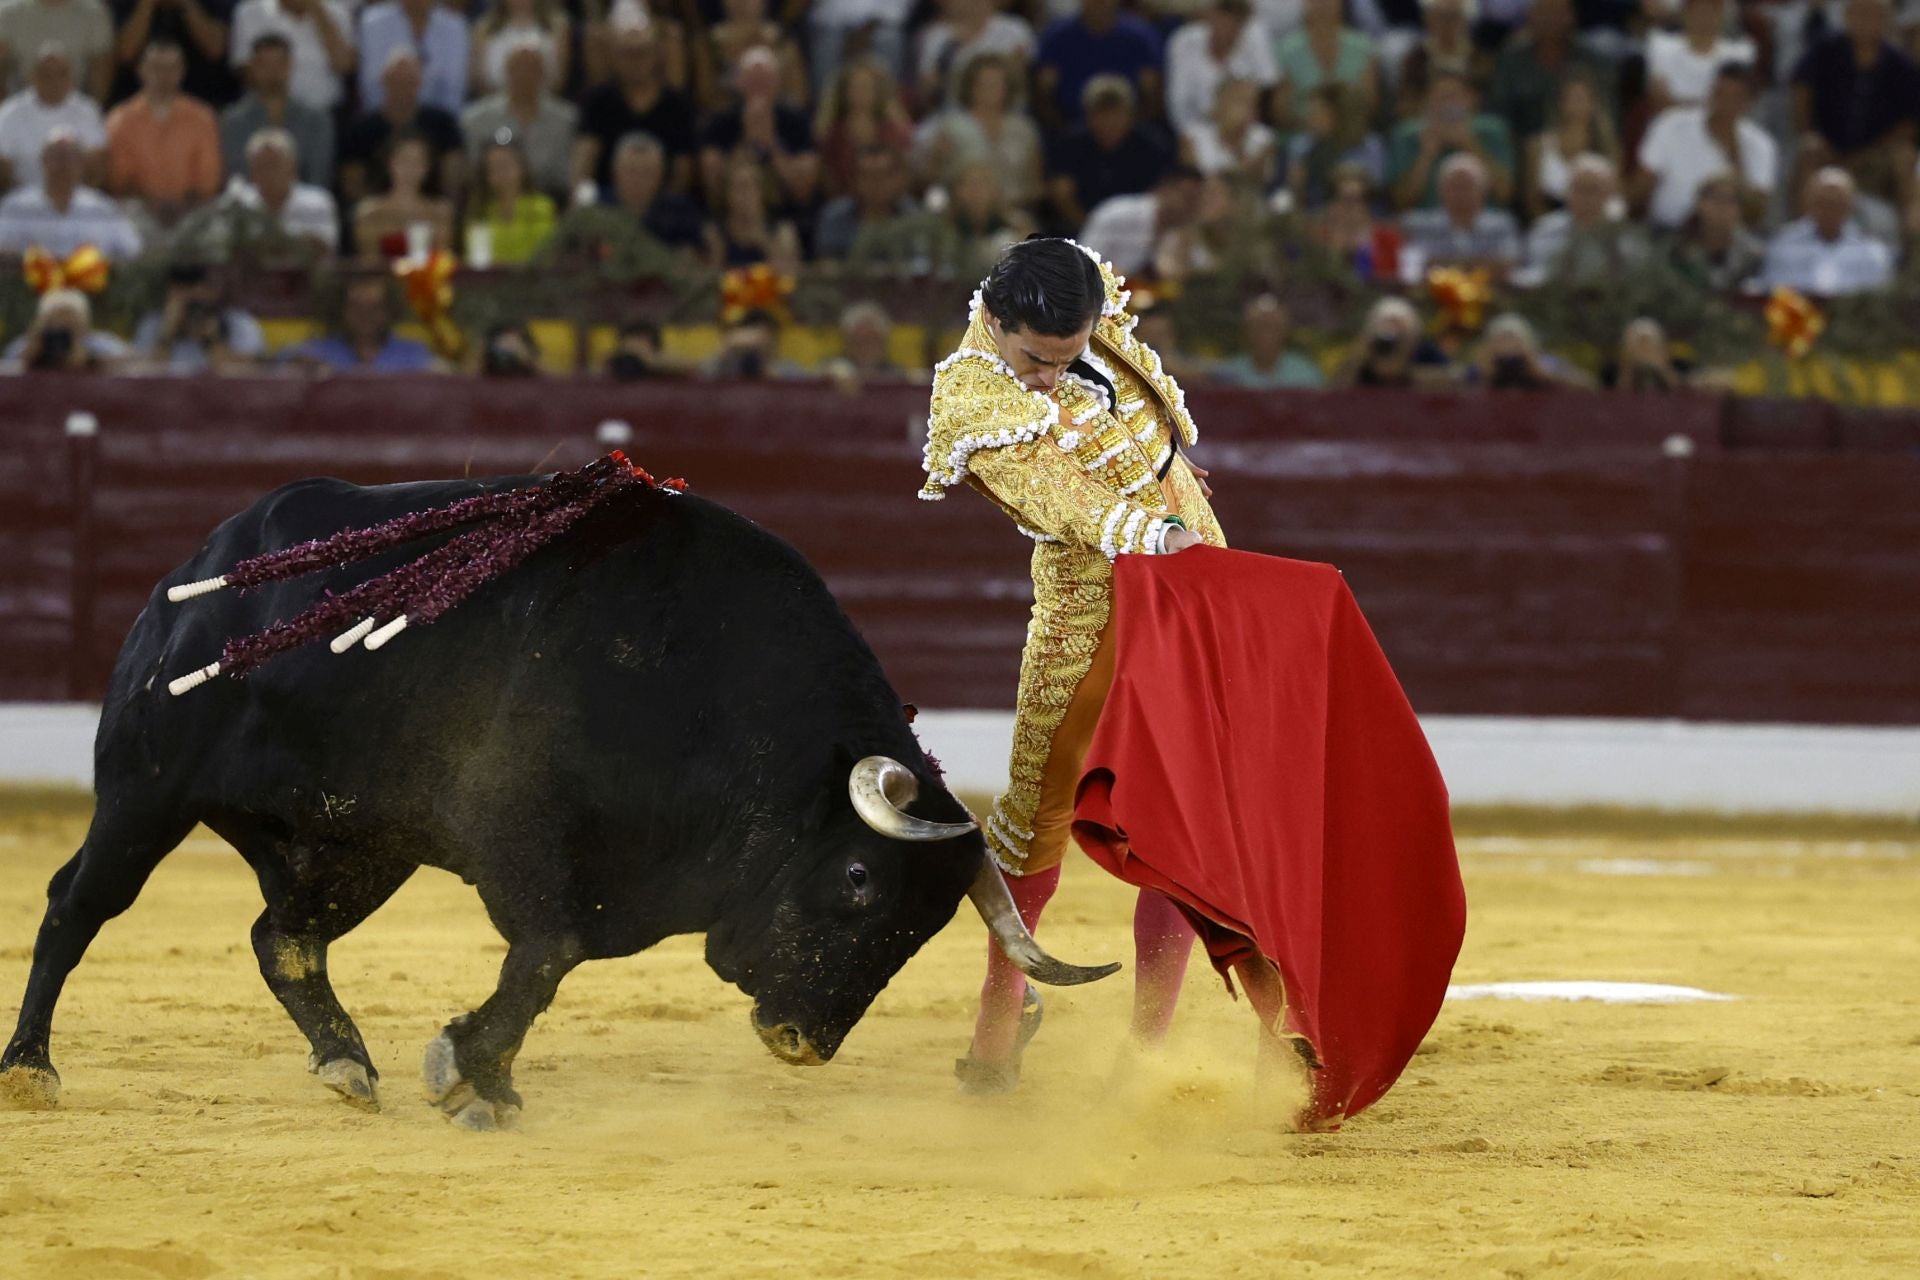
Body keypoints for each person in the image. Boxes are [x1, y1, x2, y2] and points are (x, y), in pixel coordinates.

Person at [918, 238, 1229, 1096]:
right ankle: (995, 1021)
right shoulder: (970, 395)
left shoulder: (1082, 312)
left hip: (1191, 597)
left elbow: (1141, 427)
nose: (1053, 375)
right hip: (1090, 619)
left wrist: (1172, 484)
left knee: (1182, 824)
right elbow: (1067, 499)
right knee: (1035, 824)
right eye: (1036, 359)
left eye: (1070, 355)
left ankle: (1149, 1052)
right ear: (994, 319)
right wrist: (1152, 529)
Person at [1790, 0, 1920, 207]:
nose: (1866, 22)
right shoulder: (1825, 51)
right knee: (1808, 149)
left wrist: (1872, 152)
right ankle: (1802, 230)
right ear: (1847, 17)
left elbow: (1911, 121)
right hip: (1829, 149)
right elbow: (1801, 87)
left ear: (1887, 21)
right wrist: (1809, 130)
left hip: (1876, 156)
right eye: (1860, 14)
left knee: (1905, 158)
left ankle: (1912, 233)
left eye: (1874, 16)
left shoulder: (1901, 65)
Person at [1633, 61, 1776, 230]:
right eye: (1719, 93)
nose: (1723, 103)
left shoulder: (1761, 145)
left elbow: (1756, 212)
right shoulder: (1670, 124)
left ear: (1749, 103)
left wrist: (1734, 153)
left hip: (1725, 238)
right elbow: (1642, 187)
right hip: (1668, 231)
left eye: (1734, 97)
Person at [105, 38, 220, 227]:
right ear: (141, 71)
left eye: (171, 69)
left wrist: (182, 210)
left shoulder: (202, 118)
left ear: (182, 72)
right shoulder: (120, 120)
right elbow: (120, 180)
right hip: (139, 213)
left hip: (192, 212)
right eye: (156, 68)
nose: (163, 76)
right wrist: (154, 207)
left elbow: (207, 180)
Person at [574, 18, 696, 194]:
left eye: (641, 52)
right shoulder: (598, 101)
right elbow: (585, 158)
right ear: (614, 57)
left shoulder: (676, 105)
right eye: (627, 54)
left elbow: (683, 168)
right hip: (608, 199)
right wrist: (582, 198)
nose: (635, 61)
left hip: (661, 201)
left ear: (655, 54)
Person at [339, 48, 465, 211]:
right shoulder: (361, 129)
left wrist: (439, 208)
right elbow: (352, 183)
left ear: (420, 83)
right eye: (397, 80)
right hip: (377, 213)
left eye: (409, 81)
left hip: (432, 212)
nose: (403, 87)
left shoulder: (442, 124)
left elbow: (453, 175)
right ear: (384, 82)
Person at [1043, 74, 1171, 234]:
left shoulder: (1151, 145)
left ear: (1131, 115)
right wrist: (1093, 228)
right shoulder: (1070, 144)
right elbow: (1061, 194)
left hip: (1137, 230)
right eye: (1101, 113)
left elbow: (1159, 193)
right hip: (1081, 229)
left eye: (1116, 112)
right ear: (1088, 115)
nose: (1109, 121)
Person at [915, 51, 1041, 208]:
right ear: (971, 87)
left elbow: (1035, 186)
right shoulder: (951, 127)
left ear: (1007, 88)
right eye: (983, 83)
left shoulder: (1024, 129)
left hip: (1015, 210)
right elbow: (933, 185)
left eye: (997, 83)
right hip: (962, 214)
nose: (990, 89)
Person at [460, 36, 577, 198]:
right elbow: (473, 174)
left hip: (549, 203)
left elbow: (566, 177)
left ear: (544, 74)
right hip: (492, 203)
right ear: (506, 72)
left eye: (533, 69)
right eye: (519, 68)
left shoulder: (565, 120)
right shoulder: (475, 119)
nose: (526, 76)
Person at [1485, 0, 1614, 143]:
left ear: (1571, 16)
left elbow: (1607, 115)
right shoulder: (1510, 62)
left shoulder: (1594, 62)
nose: (1550, 19)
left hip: (1583, 147)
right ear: (1531, 16)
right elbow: (1497, 115)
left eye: (1557, 12)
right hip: (1520, 148)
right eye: (1544, 12)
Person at [0, 128, 140, 257]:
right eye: (56, 157)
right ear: (43, 160)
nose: (63, 164)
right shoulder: (15, 207)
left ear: (81, 164)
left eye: (70, 157)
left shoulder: (102, 209)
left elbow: (131, 250)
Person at [218, 31, 333, 187]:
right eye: (264, 65)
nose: (273, 72)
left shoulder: (316, 119)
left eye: (279, 63)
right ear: (252, 67)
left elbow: (318, 176)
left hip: (302, 203)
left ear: (290, 65)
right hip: (250, 204)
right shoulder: (233, 121)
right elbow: (237, 175)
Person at [1388, 69, 1512, 209]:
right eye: (1440, 98)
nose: (1447, 105)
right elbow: (1401, 202)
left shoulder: (1492, 130)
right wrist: (1427, 154)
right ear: (1426, 102)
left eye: (1452, 97)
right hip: (1426, 218)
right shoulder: (1407, 135)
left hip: (1486, 218)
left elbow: (1504, 193)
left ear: (1470, 99)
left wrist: (1470, 144)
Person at [1762, 165, 1897, 293]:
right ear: (1808, 204)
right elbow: (1775, 299)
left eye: (1837, 203)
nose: (1829, 211)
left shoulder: (1872, 253)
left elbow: (1877, 303)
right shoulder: (1782, 247)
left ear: (1850, 207)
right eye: (1822, 203)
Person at [1033, 0, 1163, 131]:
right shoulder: (1056, 36)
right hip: (1071, 127)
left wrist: (1125, 127)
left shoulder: (1140, 37)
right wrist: (1063, 129)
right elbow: (1044, 94)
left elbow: (1151, 95)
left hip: (1129, 129)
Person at [1523, 153, 1649, 282]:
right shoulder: (1545, 231)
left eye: (1593, 189)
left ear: (1610, 194)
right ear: (1566, 191)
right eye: (1578, 188)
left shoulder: (1627, 239)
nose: (1585, 198)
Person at [0, 44, 105, 192]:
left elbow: (96, 167)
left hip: (75, 201)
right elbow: (3, 170)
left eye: (62, 74)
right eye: (46, 74)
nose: (54, 81)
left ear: (72, 78)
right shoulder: (9, 112)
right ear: (32, 77)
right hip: (22, 201)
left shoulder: (88, 111)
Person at [281, 271, 436, 371]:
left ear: (390, 311)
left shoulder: (413, 354)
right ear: (341, 309)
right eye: (356, 308)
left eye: (375, 308)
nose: (365, 316)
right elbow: (280, 363)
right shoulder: (316, 352)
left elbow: (444, 377)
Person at [1165, 0, 1277, 137]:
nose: (1226, 30)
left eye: (1234, 25)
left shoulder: (1256, 38)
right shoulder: (1184, 41)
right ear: (1211, 17)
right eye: (1222, 21)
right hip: (1195, 132)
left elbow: (1267, 94)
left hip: (1246, 132)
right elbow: (1178, 104)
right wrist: (1196, 139)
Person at [129, 261, 265, 372]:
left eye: (195, 299)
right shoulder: (153, 324)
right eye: (180, 298)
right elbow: (143, 375)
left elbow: (249, 376)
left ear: (211, 293)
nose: (190, 306)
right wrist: (167, 334)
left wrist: (212, 340)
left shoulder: (239, 324)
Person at [1399, 151, 1521, 275]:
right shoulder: (1416, 224)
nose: (1460, 194)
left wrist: (1442, 264)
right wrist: (1481, 265)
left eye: (1467, 187)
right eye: (1454, 186)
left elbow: (1508, 264)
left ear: (1483, 191)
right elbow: (1414, 265)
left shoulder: (1502, 225)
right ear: (1441, 190)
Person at [221, 125, 337, 253]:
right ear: (251, 172)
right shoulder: (239, 203)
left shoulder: (317, 202)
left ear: (291, 166)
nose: (268, 173)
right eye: (261, 166)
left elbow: (324, 248)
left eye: (273, 164)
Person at [226, 0, 352, 115]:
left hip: (329, 111)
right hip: (268, 113)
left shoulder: (338, 12)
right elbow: (246, 72)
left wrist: (318, 12)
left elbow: (343, 65)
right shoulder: (250, 12)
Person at [1521, 70, 1617, 221]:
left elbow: (1614, 198)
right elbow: (1532, 201)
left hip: (1595, 228)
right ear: (1560, 102)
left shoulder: (1608, 148)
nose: (1576, 103)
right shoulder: (1538, 146)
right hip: (1550, 228)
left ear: (1593, 102)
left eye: (1582, 97)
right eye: (1571, 97)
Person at [1078, 162, 1204, 276]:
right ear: (1165, 189)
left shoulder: (1184, 229)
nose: (1191, 206)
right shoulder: (1118, 214)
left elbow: (1197, 271)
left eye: (1196, 201)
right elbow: (1081, 264)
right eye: (1187, 197)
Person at [108, 0, 239, 110]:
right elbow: (125, 53)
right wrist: (146, 5)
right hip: (135, 105)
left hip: (206, 101)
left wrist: (187, 4)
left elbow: (216, 48)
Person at [814, 54, 913, 198]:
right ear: (844, 92)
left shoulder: (893, 129)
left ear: (877, 91)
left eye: (866, 87)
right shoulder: (833, 133)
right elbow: (828, 178)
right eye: (855, 87)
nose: (861, 93)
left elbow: (903, 170)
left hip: (892, 201)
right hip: (846, 201)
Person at [1272, 0, 1376, 129]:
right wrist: (1315, 123)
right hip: (1302, 135)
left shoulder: (1363, 48)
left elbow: (1369, 103)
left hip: (1352, 134)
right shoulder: (1286, 50)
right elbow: (1281, 112)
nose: (1322, 4)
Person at [351, 130, 454, 261]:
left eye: (418, 161)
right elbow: (370, 263)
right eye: (404, 160)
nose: (410, 168)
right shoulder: (369, 211)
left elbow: (443, 259)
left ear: (427, 167)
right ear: (390, 163)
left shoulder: (441, 211)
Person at [914, 0, 1034, 110]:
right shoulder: (937, 36)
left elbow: (1021, 80)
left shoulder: (1014, 29)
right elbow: (926, 93)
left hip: (1007, 114)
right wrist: (946, 57)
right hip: (954, 115)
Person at [356, 0, 468, 115]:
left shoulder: (455, 26)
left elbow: (453, 91)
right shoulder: (373, 23)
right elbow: (373, 88)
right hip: (385, 120)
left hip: (440, 122)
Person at [1667, 170, 1766, 290]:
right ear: (1700, 203)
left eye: (1730, 200)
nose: (1721, 206)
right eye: (1714, 198)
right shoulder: (1675, 247)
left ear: (1741, 209)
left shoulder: (1753, 254)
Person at [1646, 0, 1756, 108]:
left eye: (1712, 10)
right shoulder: (1661, 47)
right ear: (1684, 13)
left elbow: (1734, 105)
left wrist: (1680, 102)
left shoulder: (1739, 54)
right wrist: (1710, 104)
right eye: (1697, 10)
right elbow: (1660, 101)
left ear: (1722, 14)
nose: (1704, 17)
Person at [465, 133, 555, 264]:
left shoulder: (542, 206)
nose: (501, 174)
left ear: (522, 168)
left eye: (506, 166)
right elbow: (476, 258)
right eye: (494, 168)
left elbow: (545, 252)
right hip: (490, 281)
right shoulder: (479, 211)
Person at [0, 0, 113, 101]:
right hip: (19, 109)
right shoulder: (8, 12)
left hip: (75, 109)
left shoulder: (93, 12)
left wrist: (91, 112)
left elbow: (100, 70)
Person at [1332, 295, 1451, 386]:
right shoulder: (1359, 367)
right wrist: (1362, 354)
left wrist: (1405, 371)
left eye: (1399, 329)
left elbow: (1447, 383)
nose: (1391, 336)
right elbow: (1339, 390)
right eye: (1385, 325)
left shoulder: (1428, 358)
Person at [1183, 74, 1277, 187]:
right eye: (1241, 102)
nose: (1249, 110)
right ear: (1220, 104)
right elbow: (1199, 187)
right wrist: (1246, 168)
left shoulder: (1264, 138)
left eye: (1253, 104)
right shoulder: (1193, 138)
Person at [1214, 292, 1325, 388]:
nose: (1266, 334)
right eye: (1260, 326)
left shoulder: (1306, 373)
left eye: (1273, 327)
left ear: (1285, 331)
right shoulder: (1228, 374)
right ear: (1247, 331)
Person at [3, 286, 127, 370]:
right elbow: (8, 368)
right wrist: (30, 357)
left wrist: (91, 360)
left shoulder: (99, 343)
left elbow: (130, 365)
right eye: (57, 316)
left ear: (84, 322)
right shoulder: (28, 343)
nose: (64, 323)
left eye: (71, 316)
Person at [1465, 312, 1591, 389]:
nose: (1508, 346)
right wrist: (1485, 374)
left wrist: (1540, 371)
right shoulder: (1479, 367)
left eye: (1513, 339)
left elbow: (1588, 384)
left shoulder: (1545, 362)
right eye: (1502, 340)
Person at [470, 0, 568, 99]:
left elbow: (558, 81)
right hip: (494, 101)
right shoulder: (484, 28)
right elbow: (479, 79)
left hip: (543, 101)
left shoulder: (557, 26)